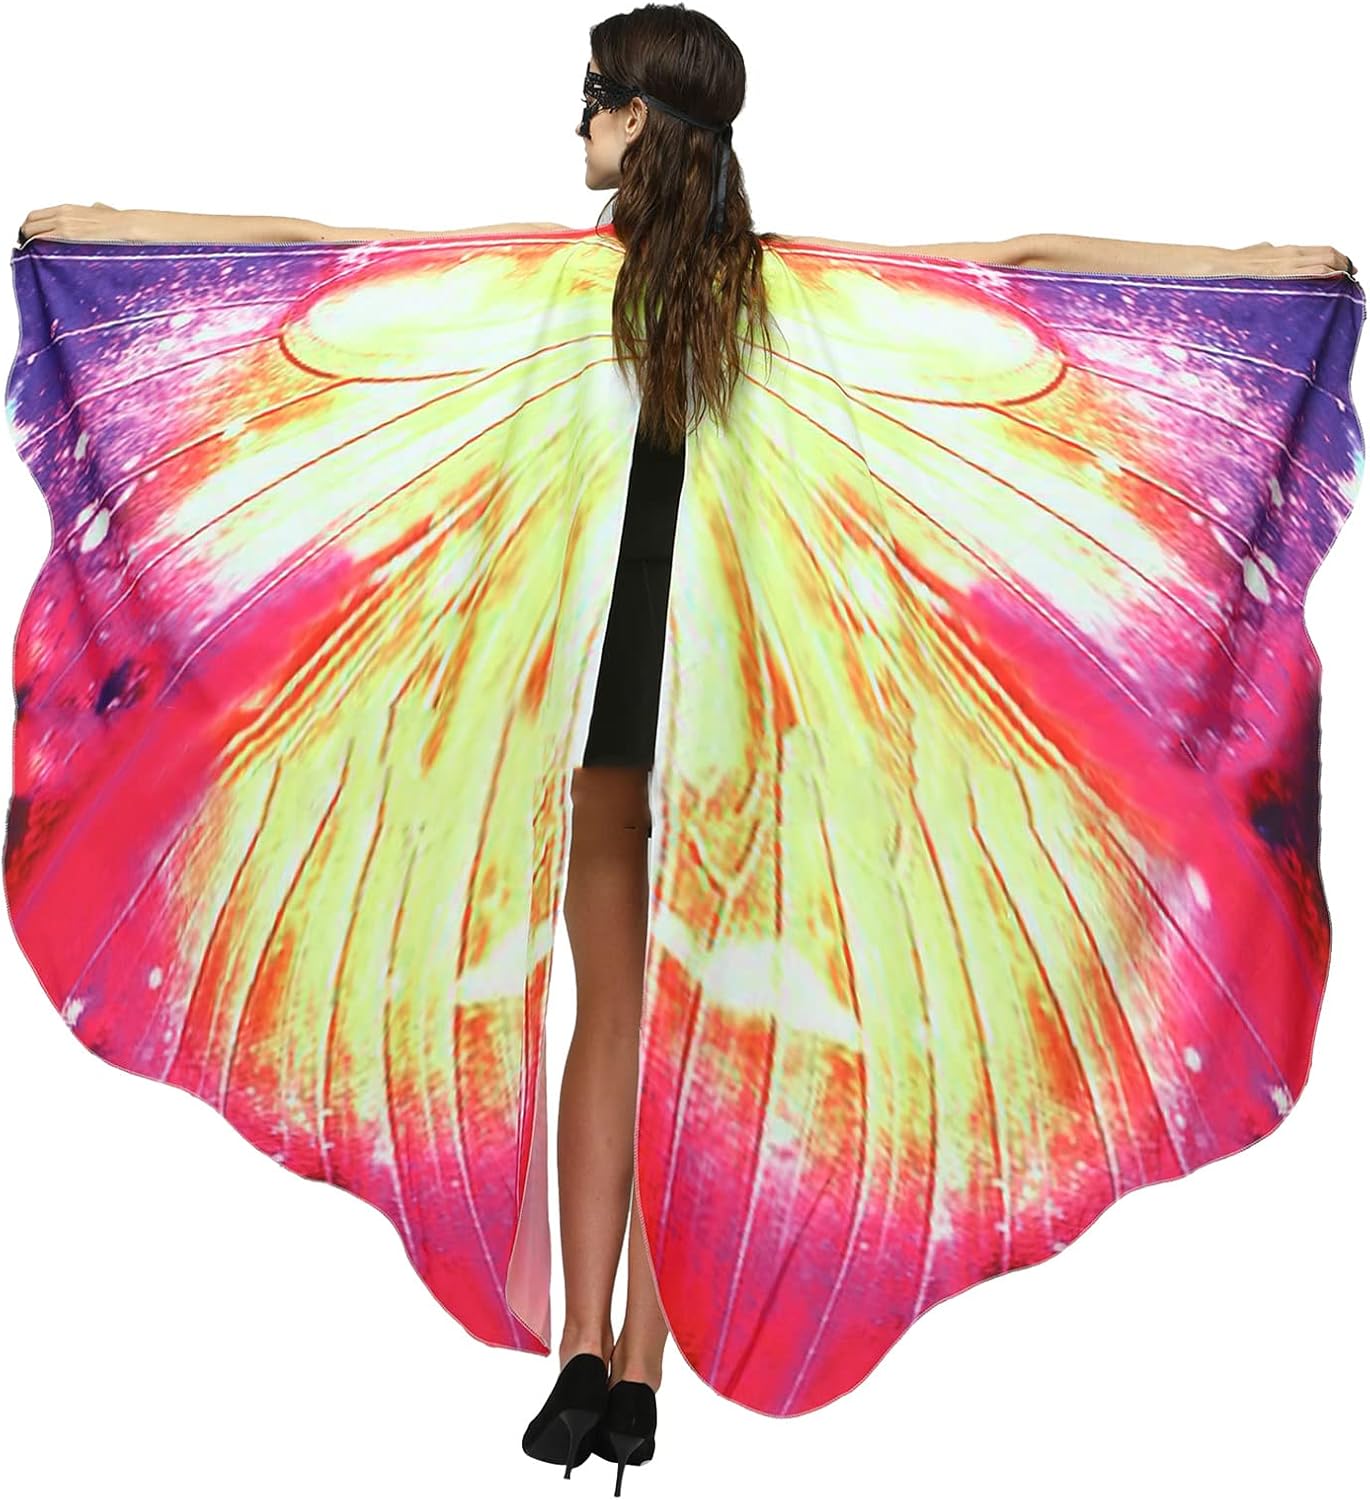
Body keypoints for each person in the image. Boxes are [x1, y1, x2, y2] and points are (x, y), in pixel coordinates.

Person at [16, 4, 1354, 1491]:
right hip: (707, 707)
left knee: (618, 1010)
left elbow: (334, 258)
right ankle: (626, 1367)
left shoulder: (564, 285)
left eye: (592, 99)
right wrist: (1254, 269)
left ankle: (593, 1353)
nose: (577, 126)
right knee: (671, 1015)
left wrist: (106, 237)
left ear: (639, 120)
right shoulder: (770, 293)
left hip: (631, 696)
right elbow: (1021, 265)